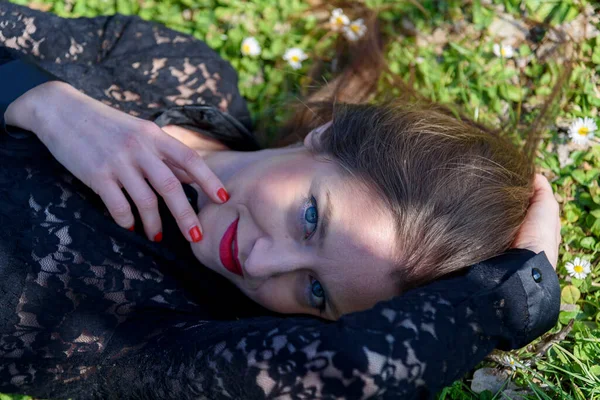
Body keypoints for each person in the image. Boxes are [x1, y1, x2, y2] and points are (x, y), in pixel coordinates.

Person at [0, 3, 561, 399]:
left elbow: (354, 374)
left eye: (316, 293)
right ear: (323, 138)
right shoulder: (173, 76)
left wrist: (514, 294)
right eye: (310, 219)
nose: (263, 264)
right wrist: (41, 102)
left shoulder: (168, 335)